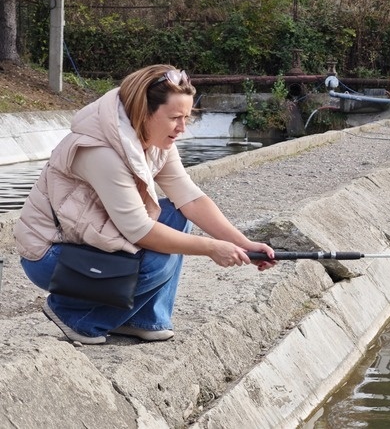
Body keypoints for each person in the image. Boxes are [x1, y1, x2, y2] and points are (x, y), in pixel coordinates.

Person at [13, 64, 276, 345]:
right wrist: (212, 248)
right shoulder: (99, 151)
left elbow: (190, 198)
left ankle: (141, 318)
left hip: (92, 243)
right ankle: (75, 316)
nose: (182, 128)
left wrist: (244, 243)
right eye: (175, 118)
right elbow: (140, 230)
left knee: (176, 216)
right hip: (51, 257)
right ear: (143, 111)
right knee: (158, 259)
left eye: (187, 117)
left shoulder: (153, 140)